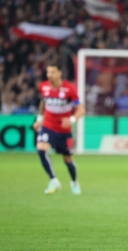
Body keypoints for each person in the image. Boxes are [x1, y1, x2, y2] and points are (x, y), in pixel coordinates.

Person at [33, 64, 85, 195]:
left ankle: (74, 182)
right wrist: (39, 119)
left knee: (67, 159)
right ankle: (54, 180)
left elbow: (81, 109)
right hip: (48, 126)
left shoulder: (69, 89)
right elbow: (43, 102)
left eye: (53, 72)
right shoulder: (43, 87)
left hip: (63, 130)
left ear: (60, 73)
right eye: (48, 72)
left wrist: (71, 120)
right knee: (41, 149)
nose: (49, 75)